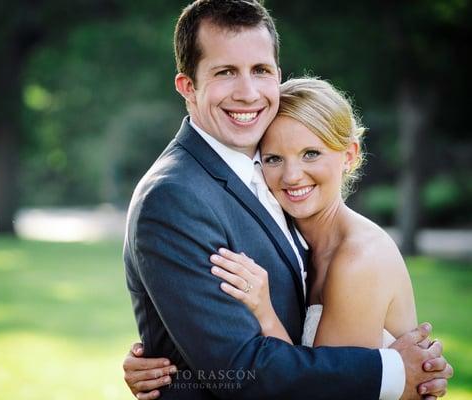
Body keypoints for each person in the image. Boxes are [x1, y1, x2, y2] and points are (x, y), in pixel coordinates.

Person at [123, 1, 452, 399]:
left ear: (277, 76)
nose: (247, 93)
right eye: (226, 72)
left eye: (260, 70)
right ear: (188, 86)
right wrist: (394, 372)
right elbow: (239, 369)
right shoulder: (175, 196)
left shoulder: (265, 176)